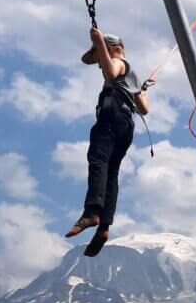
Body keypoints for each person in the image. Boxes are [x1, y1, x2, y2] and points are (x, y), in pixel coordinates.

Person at [65, 27, 153, 257]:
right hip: (126, 125)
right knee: (111, 172)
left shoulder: (119, 65)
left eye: (100, 58)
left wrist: (99, 42)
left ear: (113, 50)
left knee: (98, 161)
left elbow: (112, 73)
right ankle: (105, 225)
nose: (100, 65)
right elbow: (144, 109)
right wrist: (140, 90)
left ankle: (92, 211)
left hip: (111, 118)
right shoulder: (133, 77)